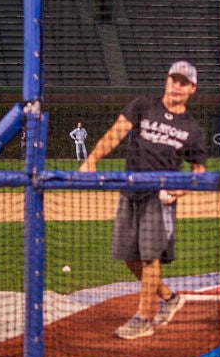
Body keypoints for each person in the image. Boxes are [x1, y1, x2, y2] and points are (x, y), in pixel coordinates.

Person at [80, 60, 207, 340]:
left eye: (183, 82)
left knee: (150, 257)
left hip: (159, 198)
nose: (176, 85)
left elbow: (199, 171)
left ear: (192, 90)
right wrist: (92, 160)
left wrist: (181, 190)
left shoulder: (192, 129)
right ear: (166, 80)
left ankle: (143, 317)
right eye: (174, 79)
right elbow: (116, 132)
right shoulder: (142, 106)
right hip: (131, 191)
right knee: (129, 257)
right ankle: (170, 297)